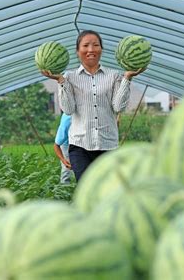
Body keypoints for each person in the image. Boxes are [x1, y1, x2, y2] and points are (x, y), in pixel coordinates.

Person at [41, 30, 144, 181]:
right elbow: (68, 109)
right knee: (85, 189)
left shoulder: (113, 76)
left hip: (108, 145)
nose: (91, 50)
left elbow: (118, 107)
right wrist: (60, 81)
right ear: (77, 51)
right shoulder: (69, 77)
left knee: (108, 191)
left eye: (96, 45)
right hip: (80, 146)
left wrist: (127, 78)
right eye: (86, 45)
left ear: (101, 50)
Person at [53, 112, 72, 184]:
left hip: (82, 144)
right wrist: (63, 160)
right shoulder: (68, 118)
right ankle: (64, 191)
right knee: (67, 170)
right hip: (66, 144)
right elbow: (56, 145)